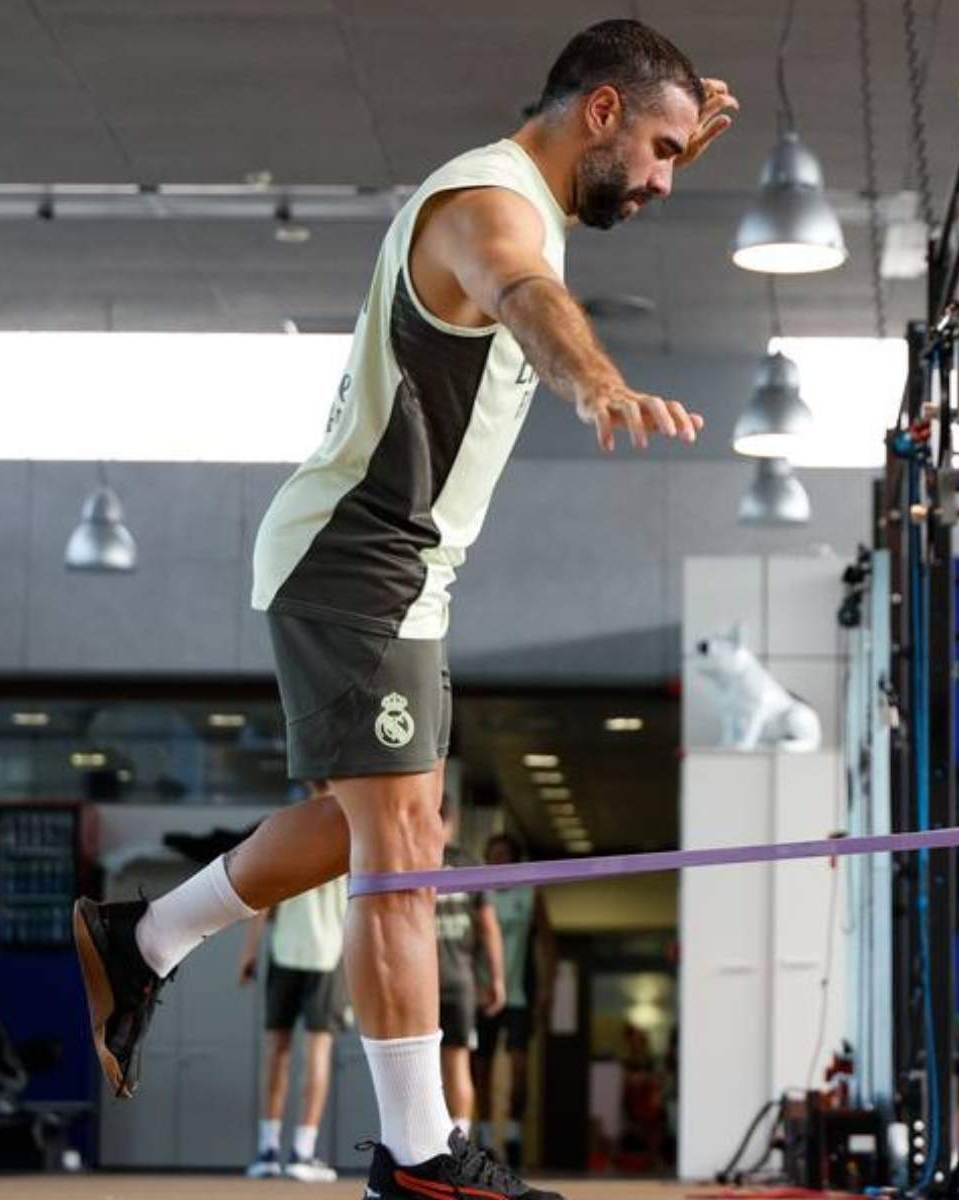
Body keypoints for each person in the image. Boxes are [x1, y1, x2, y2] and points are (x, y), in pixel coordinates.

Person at [70, 19, 734, 1200]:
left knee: (372, 826)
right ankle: (420, 1158)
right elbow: (520, 291)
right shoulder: (485, 211)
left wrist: (669, 135)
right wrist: (597, 380)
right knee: (402, 853)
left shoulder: (532, 191)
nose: (663, 179)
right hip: (356, 560)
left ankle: (148, 936)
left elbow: (565, 229)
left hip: (402, 570)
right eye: (657, 149)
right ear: (596, 113)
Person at [237, 816, 351, 1183]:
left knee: (277, 1051)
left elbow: (263, 900)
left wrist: (249, 952)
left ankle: (268, 1150)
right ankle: (301, 1151)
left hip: (288, 952)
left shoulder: (289, 838)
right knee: (315, 1052)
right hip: (327, 955)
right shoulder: (347, 835)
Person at [471, 833, 553, 1166]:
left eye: (504, 855)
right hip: (482, 994)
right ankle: (488, 1139)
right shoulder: (478, 893)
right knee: (481, 1069)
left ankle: (515, 1135)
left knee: (519, 1069)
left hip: (519, 994)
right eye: (493, 856)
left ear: (514, 860)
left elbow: (548, 943)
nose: (498, 862)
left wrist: (548, 988)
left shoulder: (530, 894)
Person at [435, 798, 504, 1143]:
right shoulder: (470, 865)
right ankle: (459, 1143)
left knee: (418, 1069)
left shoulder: (411, 861)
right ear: (454, 820)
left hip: (420, 984)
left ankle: (423, 1147)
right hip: (458, 980)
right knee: (458, 1062)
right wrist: (497, 980)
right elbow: (489, 928)